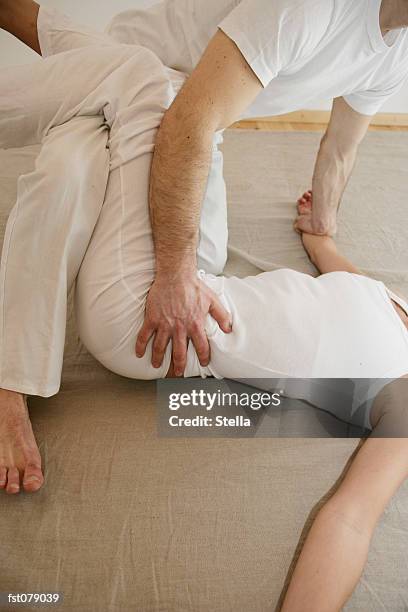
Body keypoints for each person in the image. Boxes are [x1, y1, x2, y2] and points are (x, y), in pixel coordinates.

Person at [0, 8, 408, 612]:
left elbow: (351, 519)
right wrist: (320, 235)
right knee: (152, 116)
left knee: (147, 82)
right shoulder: (399, 307)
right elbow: (343, 271)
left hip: (145, 318)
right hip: (194, 283)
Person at [2, 0, 408, 380]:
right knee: (66, 174)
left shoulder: (396, 53)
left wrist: (321, 223)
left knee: (207, 258)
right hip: (147, 80)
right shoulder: (312, 8)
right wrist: (173, 277)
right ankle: (12, 381)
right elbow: (187, 122)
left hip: (195, 113)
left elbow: (341, 148)